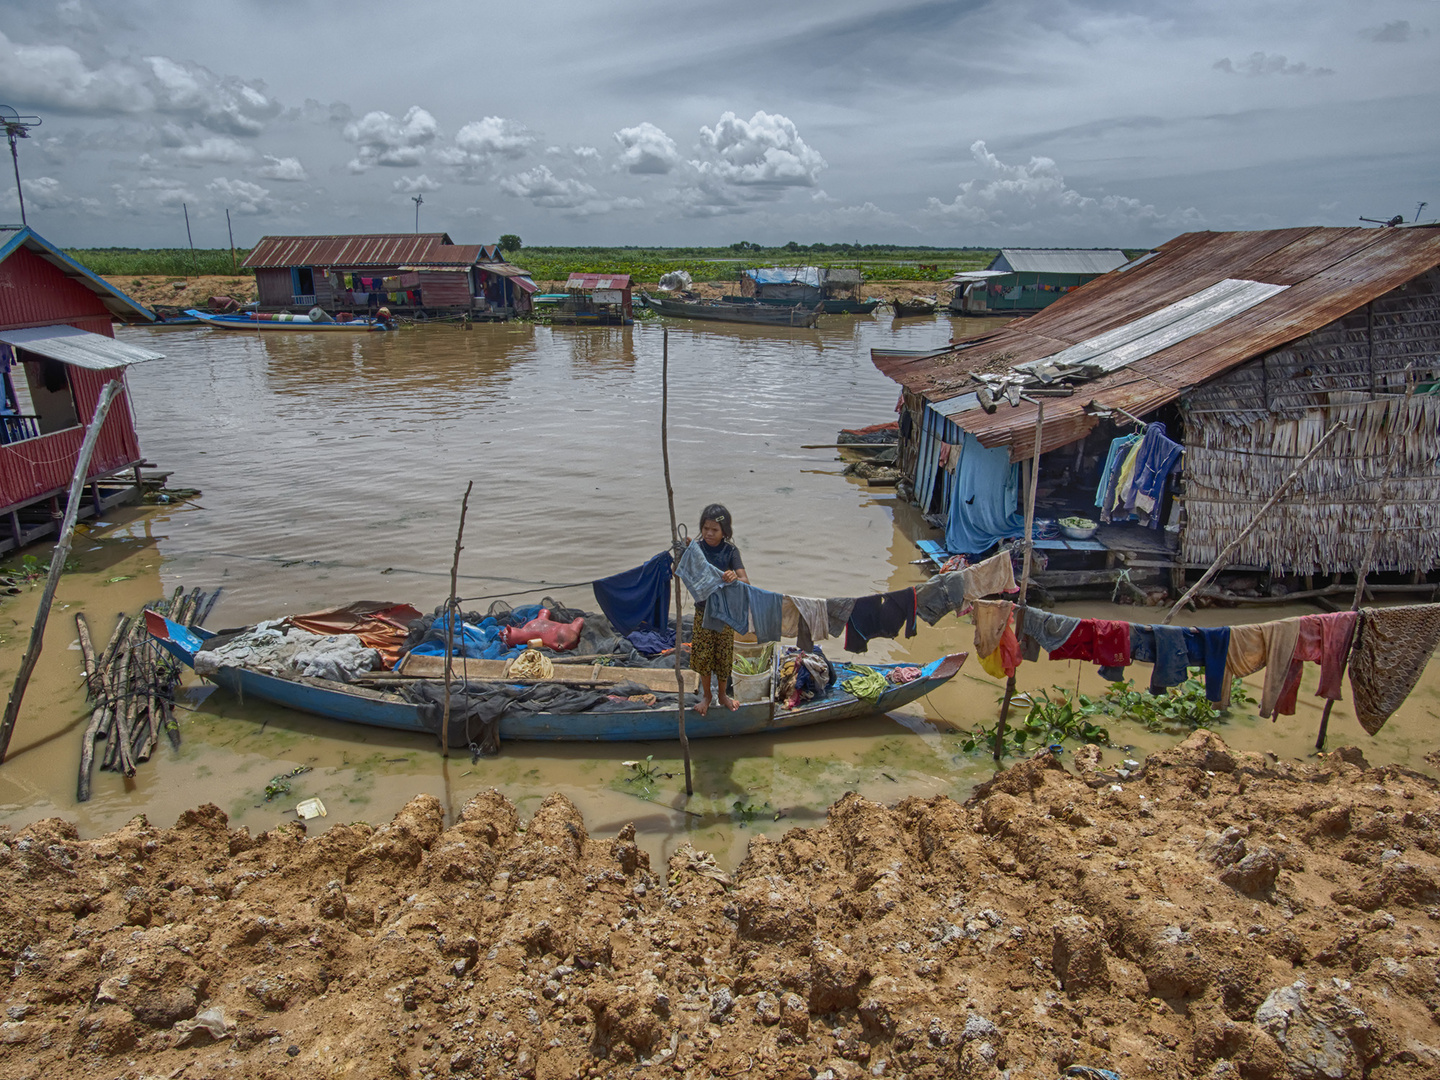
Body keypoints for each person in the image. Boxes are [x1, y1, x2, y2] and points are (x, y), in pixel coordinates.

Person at [688, 503, 748, 715]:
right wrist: (683, 553)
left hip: (725, 613)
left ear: (725, 532)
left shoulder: (730, 551)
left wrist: (733, 577)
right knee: (703, 656)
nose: (709, 533)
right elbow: (679, 570)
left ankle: (723, 695)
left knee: (723, 655)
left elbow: (745, 581)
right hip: (703, 611)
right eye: (705, 528)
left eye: (714, 530)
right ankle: (707, 696)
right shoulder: (696, 549)